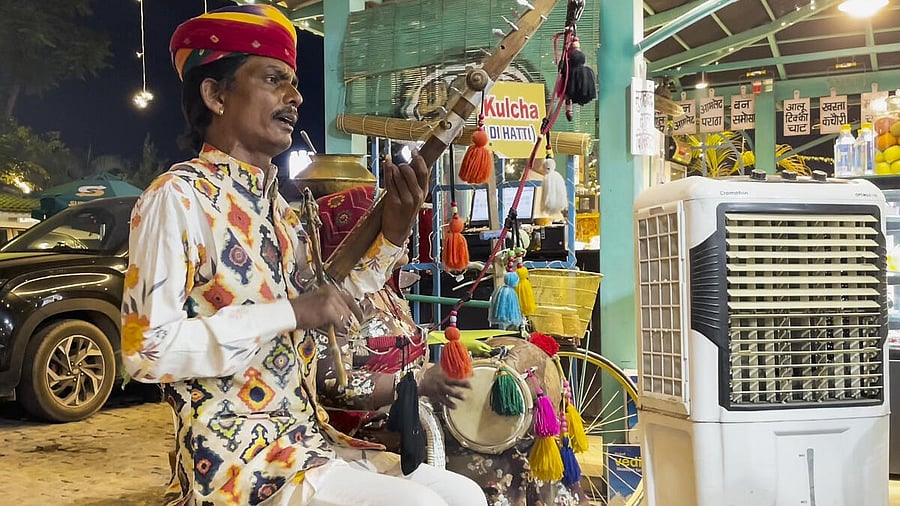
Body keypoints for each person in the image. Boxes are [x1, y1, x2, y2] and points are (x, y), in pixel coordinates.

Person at [120, 5, 485, 506]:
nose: (295, 97)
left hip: (312, 450)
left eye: (293, 83)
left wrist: (393, 237)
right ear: (215, 94)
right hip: (238, 469)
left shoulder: (282, 214)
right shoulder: (177, 199)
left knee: (461, 494)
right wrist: (289, 311)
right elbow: (145, 352)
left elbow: (329, 309)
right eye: (273, 79)